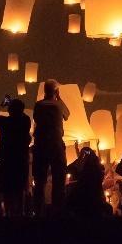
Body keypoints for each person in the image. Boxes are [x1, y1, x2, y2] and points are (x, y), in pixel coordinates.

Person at [31, 81, 70, 215]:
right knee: (59, 181)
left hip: (41, 145)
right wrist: (59, 98)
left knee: (39, 181)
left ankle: (38, 211)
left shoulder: (38, 105)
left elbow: (36, 119)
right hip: (56, 145)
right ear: (55, 92)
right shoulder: (58, 104)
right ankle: (57, 212)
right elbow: (67, 115)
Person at [0, 96, 32, 216]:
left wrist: (2, 104)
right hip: (21, 159)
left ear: (10, 110)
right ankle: (20, 213)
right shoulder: (26, 121)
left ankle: (8, 213)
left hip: (6, 160)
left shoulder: (5, 122)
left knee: (7, 189)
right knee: (19, 189)